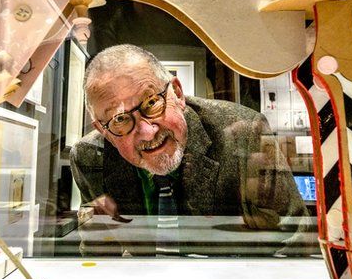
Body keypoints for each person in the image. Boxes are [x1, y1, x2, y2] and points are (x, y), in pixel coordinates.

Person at [70, 44, 306, 229]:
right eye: (120, 120)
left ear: (178, 93)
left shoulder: (244, 132)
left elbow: (293, 239)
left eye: (152, 103)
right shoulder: (89, 158)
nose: (147, 131)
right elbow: (97, 252)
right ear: (103, 130)